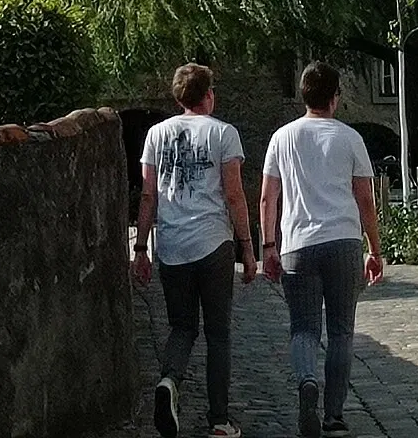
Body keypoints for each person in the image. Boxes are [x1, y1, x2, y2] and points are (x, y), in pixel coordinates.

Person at [260, 61, 384, 438]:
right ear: (335, 98)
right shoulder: (350, 139)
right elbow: (365, 198)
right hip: (343, 242)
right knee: (342, 331)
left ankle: (306, 381)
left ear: (304, 95)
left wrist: (269, 246)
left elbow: (268, 197)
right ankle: (334, 416)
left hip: (298, 244)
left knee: (303, 328)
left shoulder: (282, 138)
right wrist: (374, 248)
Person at [134, 62, 257, 438]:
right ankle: (219, 419)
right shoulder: (224, 134)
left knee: (182, 327)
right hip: (213, 243)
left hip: (171, 246)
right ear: (209, 95)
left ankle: (169, 381)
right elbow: (234, 195)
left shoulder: (157, 134)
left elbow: (148, 195)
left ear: (177, 97)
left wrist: (141, 247)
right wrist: (247, 248)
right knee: (218, 333)